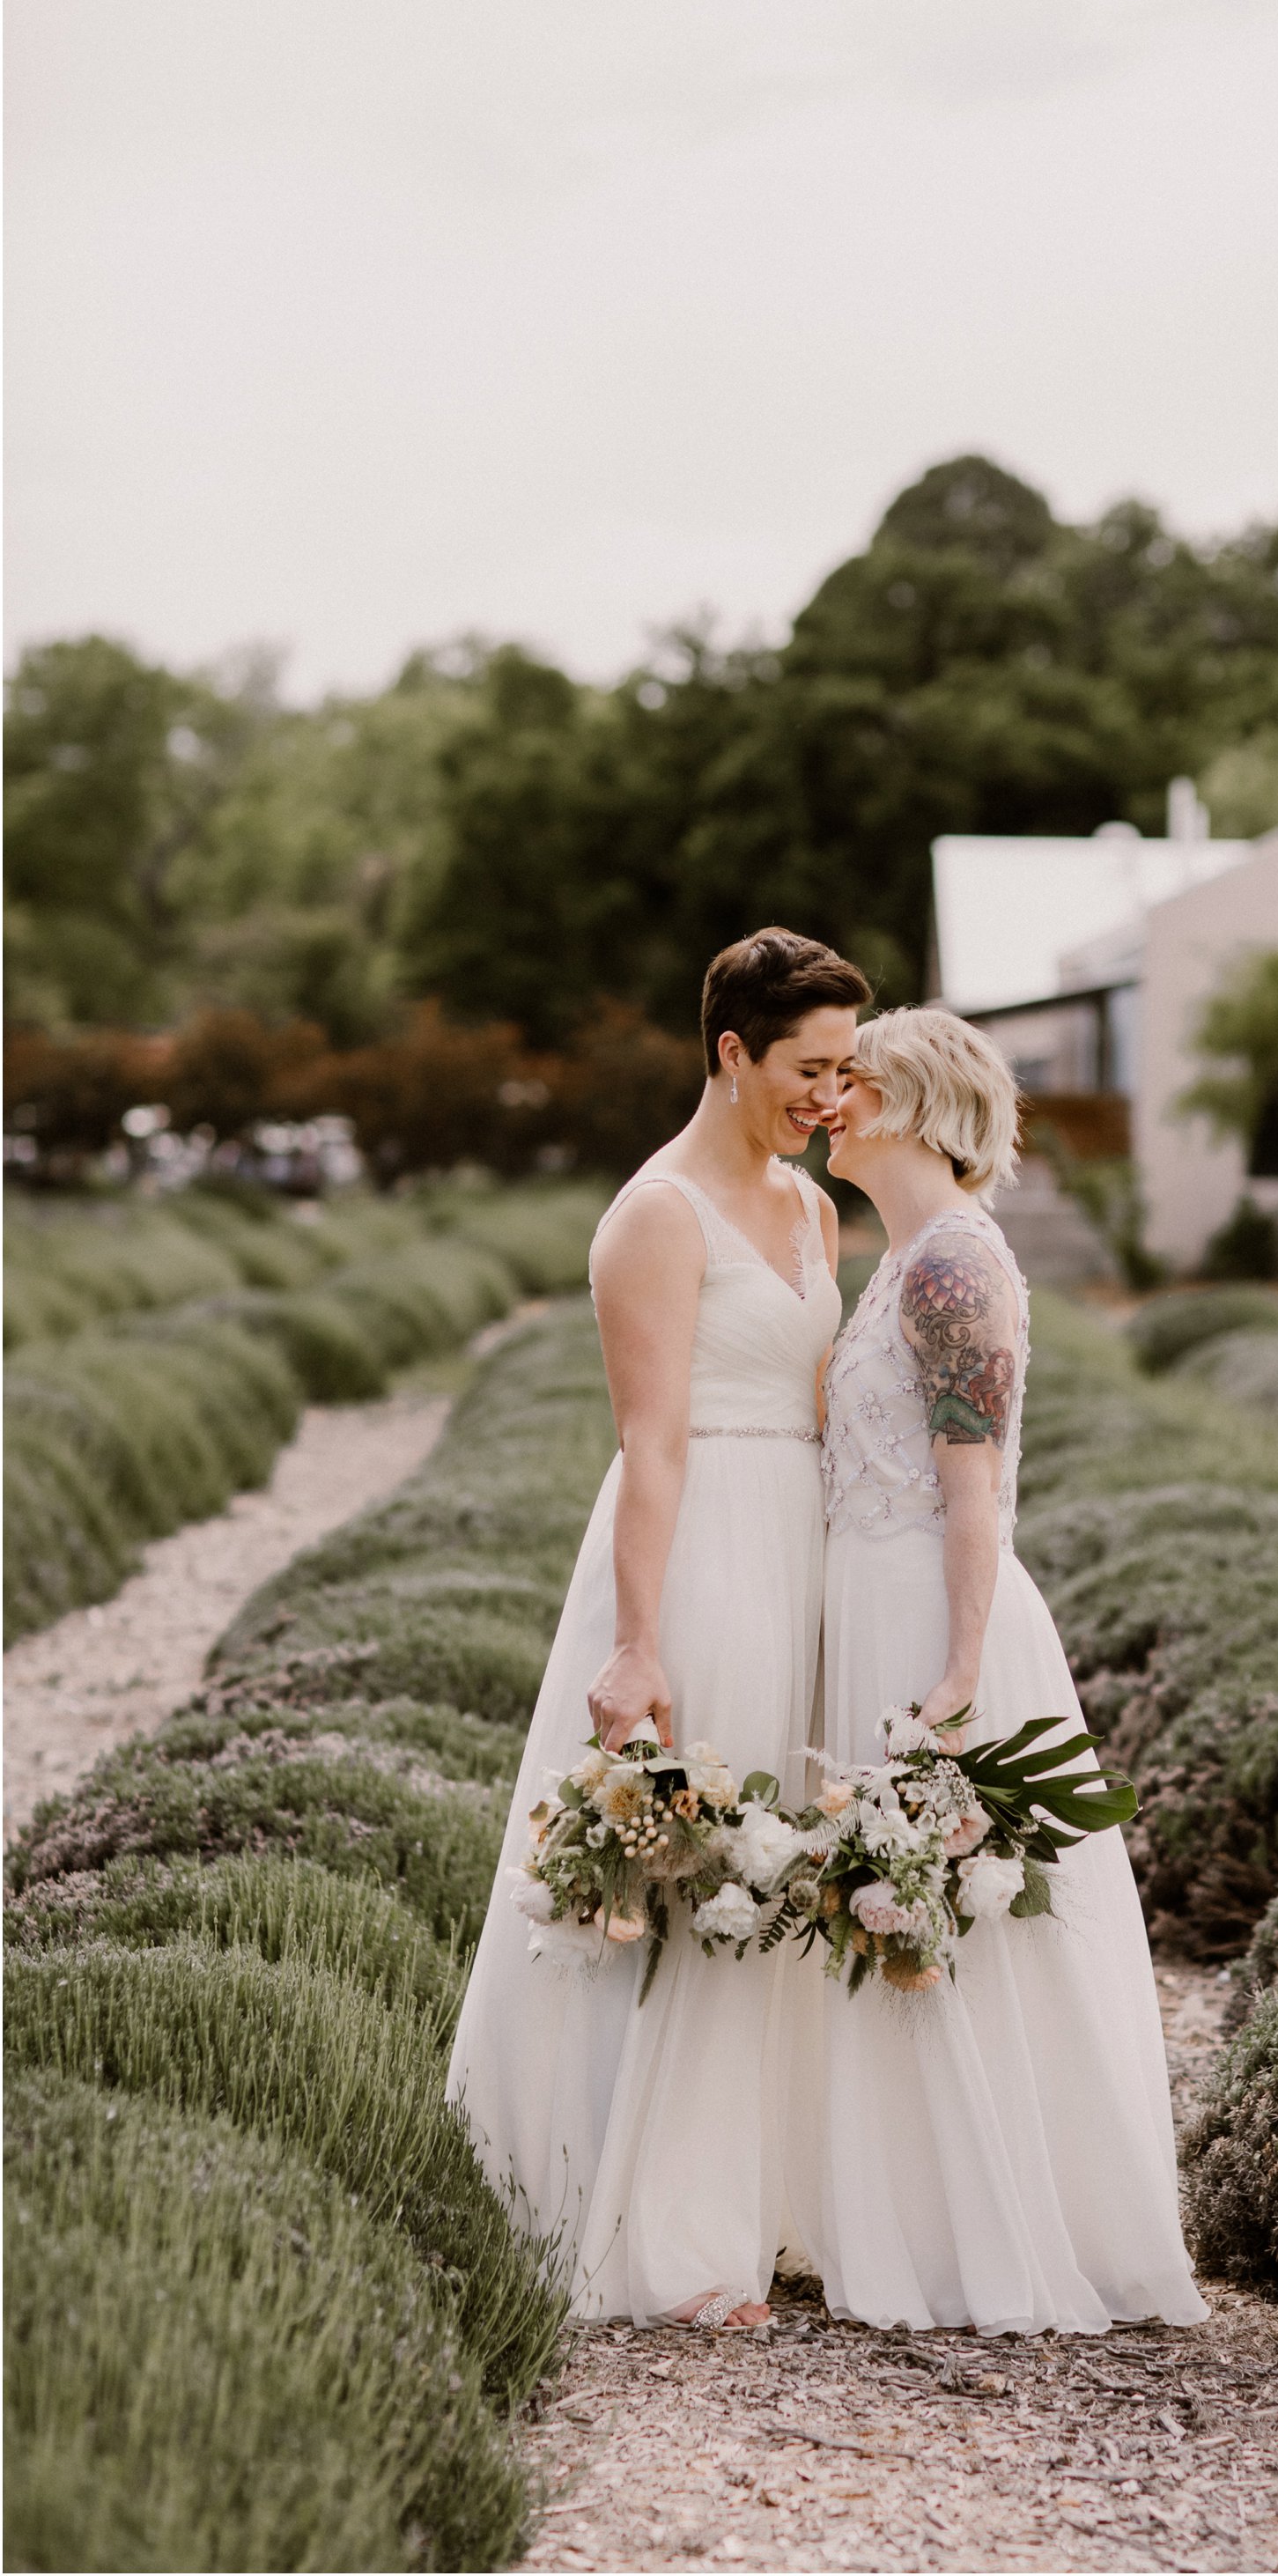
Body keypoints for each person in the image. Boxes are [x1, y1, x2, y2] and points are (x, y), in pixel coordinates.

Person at [447, 928, 868, 2330]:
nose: (833, 1093)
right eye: (812, 1066)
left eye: (848, 1068)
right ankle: (669, 2236)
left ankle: (767, 2196)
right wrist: (638, 1642)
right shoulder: (653, 1215)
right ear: (732, 1050)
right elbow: (652, 1444)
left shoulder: (812, 1212)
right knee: (694, 1865)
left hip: (806, 1543)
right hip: (697, 1556)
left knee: (785, 1863)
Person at [794, 1006, 1206, 2335]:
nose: (832, 1100)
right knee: (896, 1911)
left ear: (913, 1103)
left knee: (947, 1912)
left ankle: (997, 2228)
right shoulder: (904, 1256)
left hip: (931, 1613)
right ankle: (910, 2212)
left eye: (854, 1081)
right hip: (876, 1598)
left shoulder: (948, 1268)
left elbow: (973, 1492)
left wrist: (961, 1669)